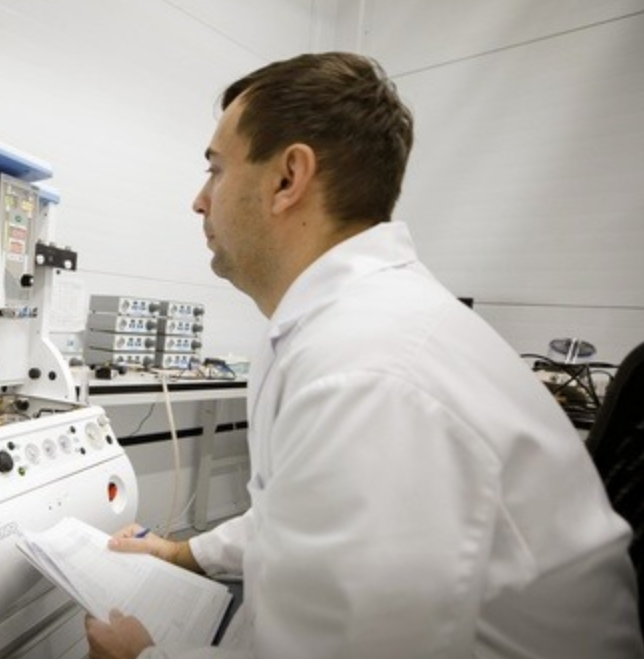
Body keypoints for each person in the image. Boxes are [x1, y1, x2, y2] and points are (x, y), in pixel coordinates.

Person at [85, 52, 643, 658]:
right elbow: (291, 515)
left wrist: (144, 658)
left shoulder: (365, 374)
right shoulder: (334, 329)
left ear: (288, 179)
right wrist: (180, 553)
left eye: (216, 170)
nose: (200, 200)